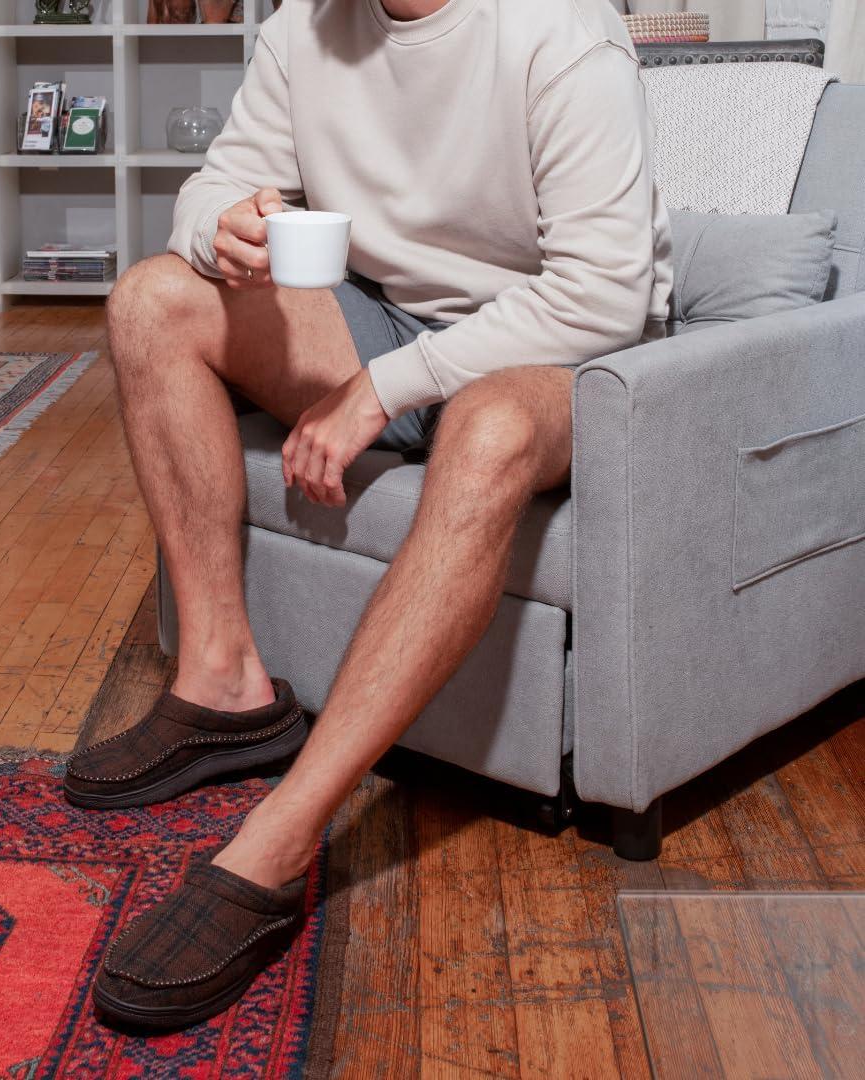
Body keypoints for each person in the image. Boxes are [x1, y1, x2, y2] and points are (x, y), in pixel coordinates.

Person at [66, 0, 672, 1031]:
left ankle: (282, 835)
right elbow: (220, 179)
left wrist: (382, 391)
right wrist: (216, 224)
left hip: (563, 351)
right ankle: (222, 686)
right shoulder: (303, 27)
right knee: (152, 300)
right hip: (386, 317)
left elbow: (602, 295)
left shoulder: (561, 33)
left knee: (487, 429)